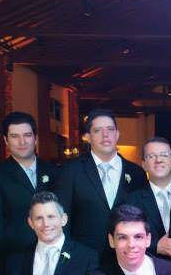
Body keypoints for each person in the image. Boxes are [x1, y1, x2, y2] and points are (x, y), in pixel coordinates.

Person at [54, 108, 147, 254]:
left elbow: (143, 217)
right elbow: (61, 217)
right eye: (98, 130)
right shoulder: (71, 171)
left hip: (127, 255)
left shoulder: (136, 173)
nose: (105, 135)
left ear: (117, 134)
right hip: (84, 256)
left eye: (110, 129)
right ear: (87, 137)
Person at [0, 111, 59, 275]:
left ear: (35, 138)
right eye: (14, 136)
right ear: (6, 140)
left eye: (27, 135)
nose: (22, 142)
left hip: (54, 262)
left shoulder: (55, 172)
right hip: (14, 265)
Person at [126, 137, 171, 259]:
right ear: (144, 165)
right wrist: (155, 246)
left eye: (164, 155)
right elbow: (127, 237)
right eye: (151, 156)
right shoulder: (132, 200)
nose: (158, 160)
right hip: (151, 266)